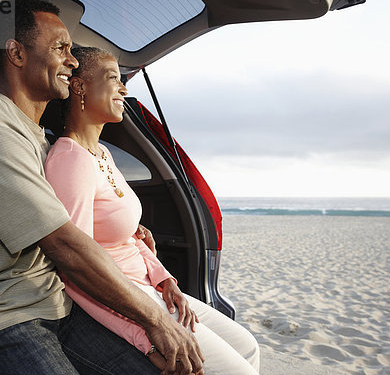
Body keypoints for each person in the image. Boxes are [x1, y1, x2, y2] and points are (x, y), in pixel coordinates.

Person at [0, 0, 205, 375]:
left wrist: (127, 234)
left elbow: (73, 222)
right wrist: (156, 319)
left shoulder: (39, 139)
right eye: (61, 48)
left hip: (53, 305)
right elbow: (65, 245)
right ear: (17, 53)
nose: (72, 61)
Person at [43, 46, 261, 374]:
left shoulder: (101, 153)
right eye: (113, 78)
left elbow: (130, 237)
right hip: (127, 301)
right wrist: (146, 336)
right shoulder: (70, 160)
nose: (124, 88)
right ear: (80, 87)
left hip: (150, 290)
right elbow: (75, 270)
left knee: (248, 346)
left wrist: (164, 280)